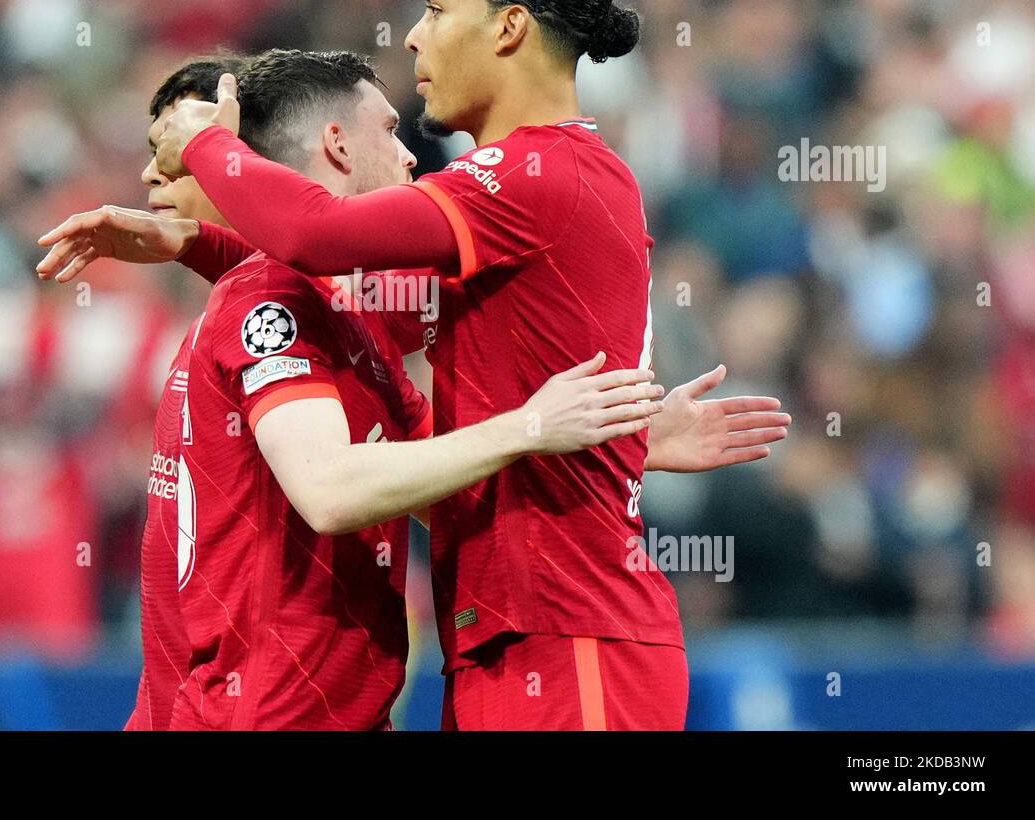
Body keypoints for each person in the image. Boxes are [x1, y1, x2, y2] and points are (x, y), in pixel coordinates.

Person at [39, 48, 790, 729]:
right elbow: (332, 488)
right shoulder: (265, 304)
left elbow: (440, 482)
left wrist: (621, 441)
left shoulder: (340, 325)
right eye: (391, 129)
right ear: (337, 143)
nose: (410, 155)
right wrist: (528, 425)